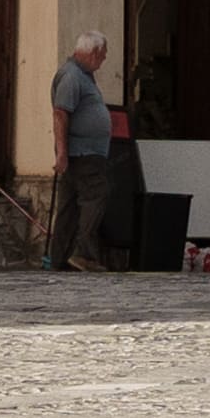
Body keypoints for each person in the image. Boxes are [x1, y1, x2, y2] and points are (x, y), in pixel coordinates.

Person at [49, 32, 128, 273]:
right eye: (102, 56)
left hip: (83, 153)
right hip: (83, 154)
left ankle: (60, 257)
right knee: (95, 196)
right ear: (93, 53)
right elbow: (61, 114)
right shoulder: (72, 76)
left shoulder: (82, 76)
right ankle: (82, 253)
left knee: (70, 207)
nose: (103, 61)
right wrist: (61, 153)